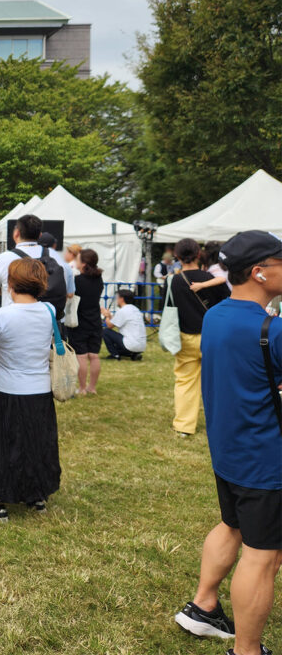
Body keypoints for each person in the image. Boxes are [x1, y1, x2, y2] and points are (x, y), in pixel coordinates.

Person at [173, 230, 282, 653]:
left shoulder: (217, 315)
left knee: (232, 526)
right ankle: (248, 649)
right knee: (264, 555)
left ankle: (203, 605)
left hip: (229, 452)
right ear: (259, 272)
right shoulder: (270, 331)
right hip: (266, 460)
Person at [0, 258, 62, 521]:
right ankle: (37, 495)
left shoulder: (0, 316)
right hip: (40, 389)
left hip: (7, 390)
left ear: (10, 284)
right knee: (37, 443)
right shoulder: (49, 311)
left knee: (2, 446)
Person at [164, 237, 229, 436]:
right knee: (220, 381)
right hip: (214, 336)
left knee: (185, 381)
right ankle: (223, 422)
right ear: (198, 254)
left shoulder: (173, 281)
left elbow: (168, 308)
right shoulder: (211, 278)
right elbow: (228, 302)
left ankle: (184, 426)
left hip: (185, 336)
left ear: (177, 256)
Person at [0, 214, 75, 316]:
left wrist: (8, 289)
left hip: (14, 318)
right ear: (40, 235)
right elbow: (64, 285)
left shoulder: (4, 258)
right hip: (47, 318)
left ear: (16, 233)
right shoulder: (54, 256)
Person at [67, 249, 105, 395]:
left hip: (80, 321)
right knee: (94, 356)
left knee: (81, 356)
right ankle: (92, 387)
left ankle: (82, 388)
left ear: (83, 263)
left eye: (77, 260)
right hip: (95, 320)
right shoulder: (99, 279)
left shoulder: (77, 281)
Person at [101, 288, 147, 361]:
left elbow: (110, 326)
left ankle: (115, 355)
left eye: (117, 298)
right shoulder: (135, 309)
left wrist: (106, 315)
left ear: (121, 299)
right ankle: (133, 354)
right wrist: (109, 316)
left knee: (105, 331)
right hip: (141, 345)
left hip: (130, 344)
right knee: (119, 342)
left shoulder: (123, 310)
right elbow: (116, 321)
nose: (116, 300)